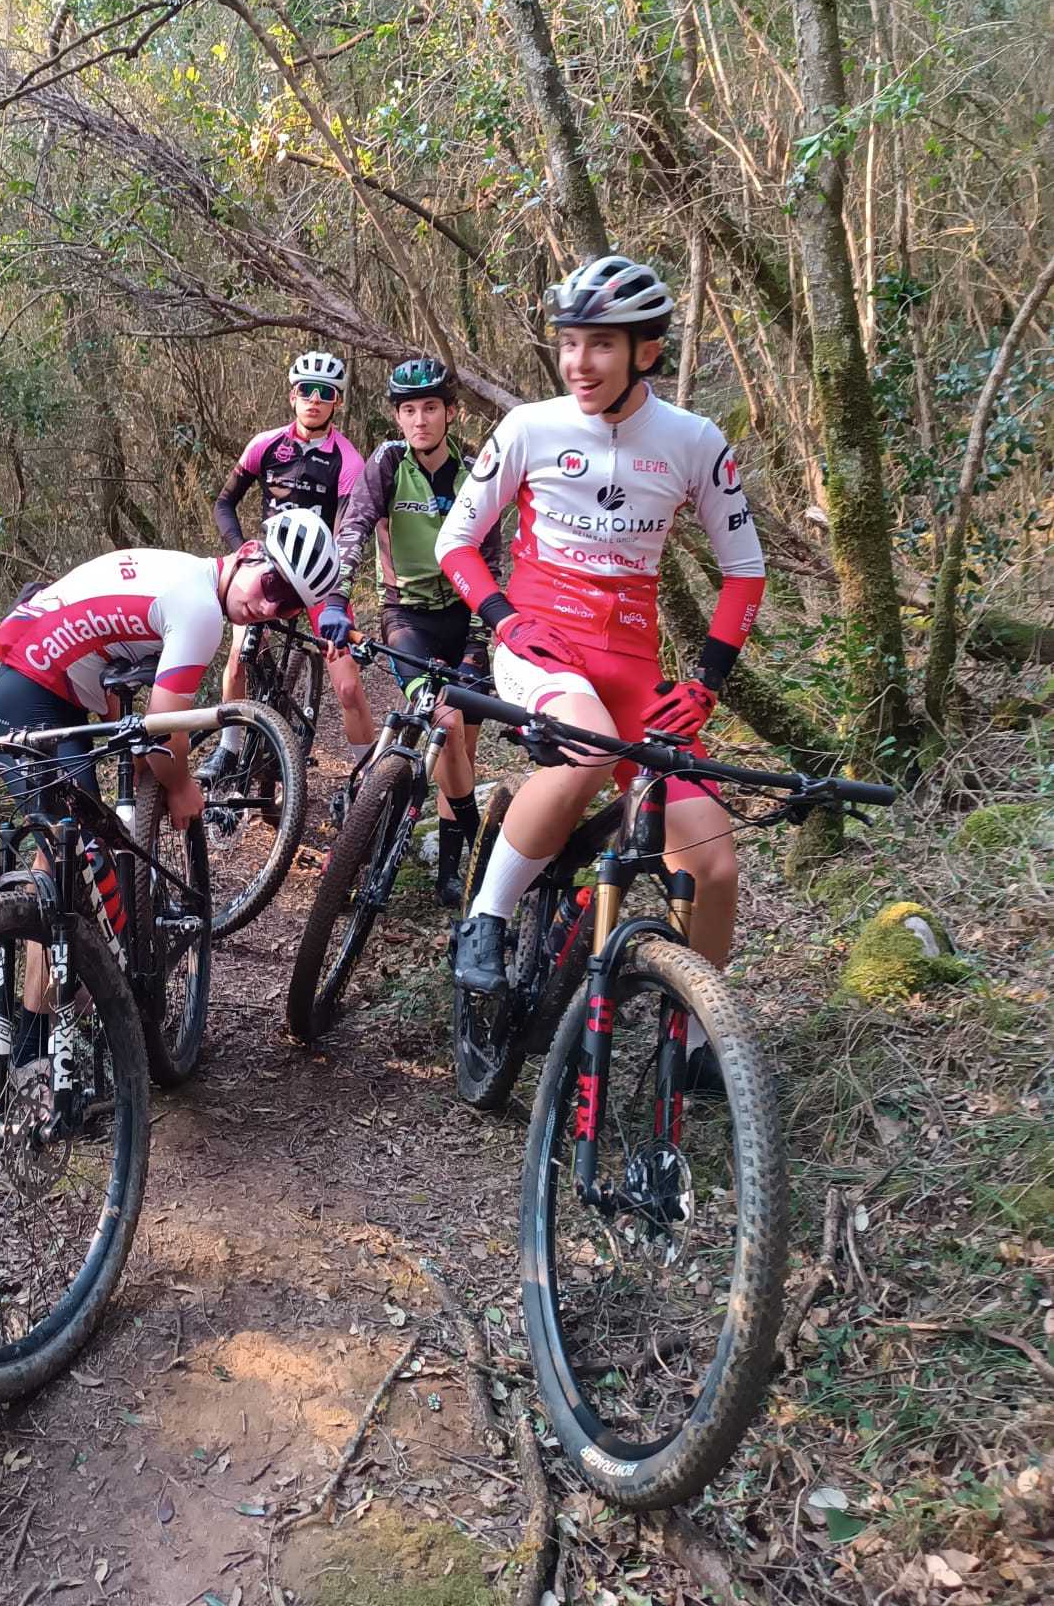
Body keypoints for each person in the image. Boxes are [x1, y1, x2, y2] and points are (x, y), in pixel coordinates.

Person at [435, 255, 767, 1086]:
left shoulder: (692, 442)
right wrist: (504, 619)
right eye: (570, 343)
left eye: (602, 346)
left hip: (635, 673)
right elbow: (456, 545)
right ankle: (485, 917)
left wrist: (706, 684)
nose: (579, 363)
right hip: (538, 649)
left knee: (715, 859)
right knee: (586, 739)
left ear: (645, 353)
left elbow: (746, 571)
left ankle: (691, 1040)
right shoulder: (529, 428)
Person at [0, 507, 342, 1063]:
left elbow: (137, 700)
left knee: (66, 852)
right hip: (33, 697)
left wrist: (156, 772)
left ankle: (56, 1027)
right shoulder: (200, 612)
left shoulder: (184, 571)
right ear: (248, 553)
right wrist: (182, 789)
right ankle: (37, 1047)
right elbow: (160, 735)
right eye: (272, 584)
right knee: (65, 859)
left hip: (38, 688)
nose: (270, 607)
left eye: (288, 605)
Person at [320, 357, 505, 905]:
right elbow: (352, 528)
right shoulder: (387, 463)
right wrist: (337, 598)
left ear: (451, 412)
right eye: (408, 410)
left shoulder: (476, 471)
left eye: (430, 408)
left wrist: (477, 645)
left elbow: (490, 562)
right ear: (397, 418)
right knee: (441, 718)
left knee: (460, 752)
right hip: (407, 619)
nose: (419, 419)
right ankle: (477, 845)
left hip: (464, 621)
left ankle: (452, 872)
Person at [208, 350, 374, 774]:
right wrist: (241, 547)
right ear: (292, 396)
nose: (314, 399)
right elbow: (225, 502)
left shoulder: (348, 461)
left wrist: (339, 591)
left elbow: (349, 532)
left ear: (337, 401)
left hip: (319, 574)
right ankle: (228, 749)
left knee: (349, 686)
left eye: (325, 393)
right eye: (306, 391)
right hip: (268, 565)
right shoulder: (265, 445)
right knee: (240, 659)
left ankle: (366, 777)